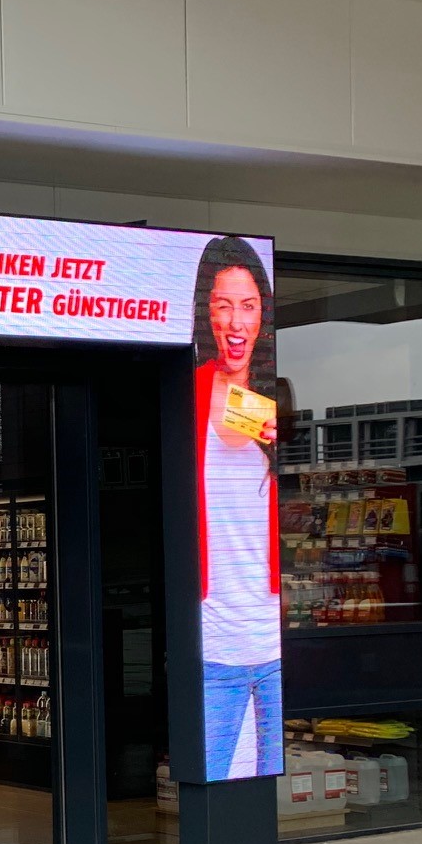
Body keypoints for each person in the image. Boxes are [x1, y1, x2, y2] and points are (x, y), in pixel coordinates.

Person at [193, 236, 283, 779]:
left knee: (261, 789)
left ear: (263, 315)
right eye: (223, 304)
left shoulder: (272, 398)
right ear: (205, 311)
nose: (236, 321)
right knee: (215, 782)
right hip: (212, 645)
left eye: (248, 305)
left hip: (272, 643)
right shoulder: (191, 393)